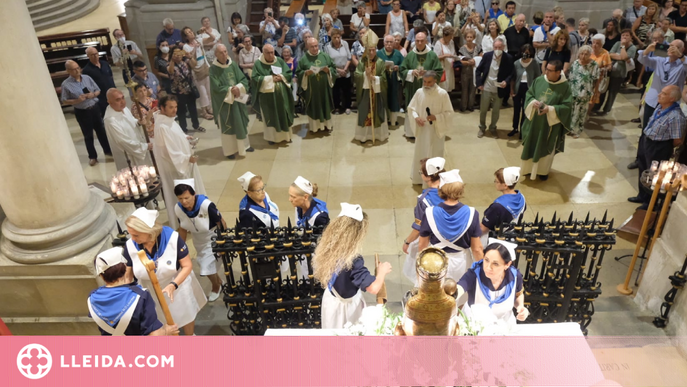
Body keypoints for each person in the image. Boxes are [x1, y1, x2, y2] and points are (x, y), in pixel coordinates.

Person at [123, 208, 207, 336]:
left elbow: (187, 265)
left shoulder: (172, 239)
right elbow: (128, 275)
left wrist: (173, 285)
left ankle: (190, 336)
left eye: (136, 235)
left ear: (149, 231)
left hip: (176, 283)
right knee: (159, 318)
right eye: (130, 234)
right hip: (149, 288)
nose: (132, 239)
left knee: (186, 312)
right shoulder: (130, 245)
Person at [313, 203, 392, 329]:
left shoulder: (329, 245)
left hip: (331, 300)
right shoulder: (354, 260)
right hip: (345, 309)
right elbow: (374, 288)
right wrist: (382, 272)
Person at [87, 247, 179, 336]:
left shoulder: (92, 298)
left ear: (101, 275)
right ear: (124, 268)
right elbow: (154, 335)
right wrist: (166, 331)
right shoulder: (141, 296)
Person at [418, 170, 484, 282]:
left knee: (435, 297)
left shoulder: (429, 213)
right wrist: (483, 271)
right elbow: (476, 249)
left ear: (441, 189)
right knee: (461, 294)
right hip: (461, 263)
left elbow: (422, 245)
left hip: (435, 261)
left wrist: (421, 267)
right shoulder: (472, 213)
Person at [153, 94, 207, 229]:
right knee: (183, 194)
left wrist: (186, 137)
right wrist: (187, 158)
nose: (174, 110)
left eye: (176, 107)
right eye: (171, 107)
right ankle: (187, 223)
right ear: (162, 108)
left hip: (180, 164)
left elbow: (176, 136)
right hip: (174, 168)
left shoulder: (168, 120)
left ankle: (194, 218)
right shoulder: (162, 127)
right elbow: (169, 151)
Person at [628, 85, 686, 208]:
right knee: (642, 167)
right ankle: (642, 195)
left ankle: (650, 203)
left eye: (664, 93)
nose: (659, 94)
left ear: (672, 99)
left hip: (659, 146)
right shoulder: (660, 107)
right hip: (646, 140)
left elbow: (678, 139)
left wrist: (664, 147)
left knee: (653, 174)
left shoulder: (676, 116)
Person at [173, 180, 226, 302]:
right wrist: (181, 247)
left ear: (194, 194)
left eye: (187, 198)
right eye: (180, 198)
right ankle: (218, 281)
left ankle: (216, 287)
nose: (184, 202)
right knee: (207, 265)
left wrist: (223, 240)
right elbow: (182, 228)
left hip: (212, 237)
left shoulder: (206, 205)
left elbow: (221, 222)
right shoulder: (178, 208)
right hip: (198, 240)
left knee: (205, 265)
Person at [520, 60, 572, 181]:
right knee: (530, 145)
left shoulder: (565, 87)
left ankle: (543, 172)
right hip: (535, 122)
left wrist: (550, 109)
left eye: (549, 70)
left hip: (550, 125)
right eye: (546, 69)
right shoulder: (539, 80)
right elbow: (529, 94)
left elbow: (567, 107)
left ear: (558, 72)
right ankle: (527, 170)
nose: (546, 72)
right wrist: (533, 102)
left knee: (546, 147)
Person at [456, 240, 529, 325]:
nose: (488, 267)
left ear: (507, 265)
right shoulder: (474, 274)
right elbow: (460, 287)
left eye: (495, 264)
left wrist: (520, 306)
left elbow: (518, 294)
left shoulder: (515, 276)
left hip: (503, 324)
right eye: (486, 260)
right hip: (474, 324)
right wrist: (452, 295)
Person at [402, 157, 445, 286]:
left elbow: (418, 227)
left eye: (421, 173)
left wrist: (407, 241)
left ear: (427, 177)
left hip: (433, 243)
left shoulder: (424, 199)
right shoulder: (451, 192)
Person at [60, 60, 111, 166]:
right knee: (88, 135)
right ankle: (93, 157)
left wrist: (93, 94)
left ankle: (108, 150)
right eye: (74, 69)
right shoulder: (66, 84)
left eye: (78, 68)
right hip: (82, 111)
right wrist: (76, 101)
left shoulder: (87, 78)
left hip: (94, 108)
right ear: (68, 71)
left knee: (101, 131)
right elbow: (64, 100)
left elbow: (98, 90)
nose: (77, 70)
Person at [408, 72, 452, 185]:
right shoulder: (419, 92)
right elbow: (411, 108)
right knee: (421, 153)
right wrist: (416, 117)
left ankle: (434, 180)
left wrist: (436, 117)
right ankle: (419, 179)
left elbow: (449, 113)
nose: (426, 84)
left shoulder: (442, 94)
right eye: (424, 82)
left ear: (435, 81)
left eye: (429, 82)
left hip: (436, 130)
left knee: (434, 154)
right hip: (422, 129)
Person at [209, 44, 252, 159]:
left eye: (225, 52)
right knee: (229, 125)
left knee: (241, 122)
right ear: (216, 55)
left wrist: (239, 88)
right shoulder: (213, 69)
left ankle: (245, 146)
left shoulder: (232, 64)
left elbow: (243, 79)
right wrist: (230, 90)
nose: (224, 55)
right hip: (226, 103)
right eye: (221, 53)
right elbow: (215, 88)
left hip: (237, 100)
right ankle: (230, 150)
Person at [401, 32, 443, 139]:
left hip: (428, 89)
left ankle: (427, 131)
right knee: (413, 107)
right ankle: (411, 132)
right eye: (417, 41)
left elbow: (438, 71)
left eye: (422, 41)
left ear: (426, 41)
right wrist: (411, 72)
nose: (419, 43)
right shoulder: (410, 54)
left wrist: (428, 74)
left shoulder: (432, 55)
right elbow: (402, 70)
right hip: (413, 88)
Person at [251, 44, 295, 145]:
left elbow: (288, 73)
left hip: (282, 96)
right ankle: (272, 138)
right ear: (263, 53)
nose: (271, 55)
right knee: (271, 116)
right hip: (268, 98)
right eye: (268, 53)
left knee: (283, 114)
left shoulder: (279, 60)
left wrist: (281, 77)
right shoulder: (258, 64)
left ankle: (286, 136)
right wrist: (271, 79)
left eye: (272, 52)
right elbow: (255, 79)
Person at [104, 88, 152, 170]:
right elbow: (122, 141)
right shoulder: (111, 120)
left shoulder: (124, 109)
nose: (122, 102)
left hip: (137, 146)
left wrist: (139, 122)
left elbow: (131, 122)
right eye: (118, 100)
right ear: (109, 102)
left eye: (123, 98)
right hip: (128, 155)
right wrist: (144, 146)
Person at [354, 34, 389, 143]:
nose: (371, 53)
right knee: (365, 112)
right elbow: (356, 75)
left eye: (373, 50)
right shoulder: (361, 62)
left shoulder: (380, 62)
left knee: (377, 112)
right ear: (366, 50)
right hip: (365, 93)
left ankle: (378, 135)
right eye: (369, 50)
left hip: (377, 94)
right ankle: (364, 136)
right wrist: (365, 75)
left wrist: (373, 78)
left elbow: (384, 79)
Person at [476, 38, 514, 138]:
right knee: (483, 109)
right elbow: (478, 70)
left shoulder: (508, 58)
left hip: (499, 89)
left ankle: (493, 128)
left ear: (503, 47)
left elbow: (511, 74)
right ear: (493, 47)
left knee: (496, 111)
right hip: (487, 87)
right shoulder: (487, 56)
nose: (497, 49)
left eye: (500, 47)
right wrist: (479, 83)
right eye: (495, 47)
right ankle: (482, 127)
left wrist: (506, 81)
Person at [297, 38, 337, 133]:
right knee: (314, 106)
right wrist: (305, 73)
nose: (315, 48)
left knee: (325, 105)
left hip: (324, 88)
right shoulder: (303, 59)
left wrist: (329, 71)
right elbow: (299, 72)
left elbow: (333, 68)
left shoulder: (325, 56)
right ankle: (315, 127)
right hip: (312, 90)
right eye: (312, 47)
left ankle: (327, 126)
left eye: (316, 46)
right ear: (307, 47)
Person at [480, 168, 526, 245]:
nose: (495, 183)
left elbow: (483, 229)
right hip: (511, 237)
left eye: (496, 181)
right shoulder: (522, 198)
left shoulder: (497, 207)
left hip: (495, 240)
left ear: (505, 185)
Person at [596, 30, 636, 115]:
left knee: (612, 92)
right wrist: (620, 56)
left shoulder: (633, 48)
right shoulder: (617, 43)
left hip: (620, 73)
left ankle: (606, 110)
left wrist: (623, 47)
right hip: (610, 71)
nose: (624, 37)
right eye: (623, 35)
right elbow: (610, 54)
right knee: (603, 90)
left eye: (627, 35)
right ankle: (596, 107)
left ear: (631, 37)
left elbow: (625, 57)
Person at [168, 47, 205, 133]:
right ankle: (183, 129)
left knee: (193, 109)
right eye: (175, 54)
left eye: (179, 53)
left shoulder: (185, 62)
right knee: (181, 111)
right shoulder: (170, 64)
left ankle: (196, 125)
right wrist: (173, 60)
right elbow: (170, 71)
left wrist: (190, 57)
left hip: (189, 89)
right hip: (179, 91)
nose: (178, 56)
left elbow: (194, 65)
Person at [182, 26, 213, 121]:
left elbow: (212, 39)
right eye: (188, 32)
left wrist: (207, 31)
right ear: (185, 36)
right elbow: (190, 57)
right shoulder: (185, 46)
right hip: (196, 69)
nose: (191, 33)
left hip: (204, 66)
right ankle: (204, 111)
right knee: (202, 92)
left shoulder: (199, 40)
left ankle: (209, 108)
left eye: (191, 31)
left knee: (209, 90)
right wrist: (195, 48)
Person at [568, 46, 600, 139]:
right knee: (572, 110)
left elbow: (596, 79)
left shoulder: (593, 65)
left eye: (586, 54)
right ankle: (570, 128)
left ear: (590, 55)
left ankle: (576, 130)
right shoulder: (575, 63)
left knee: (581, 111)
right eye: (581, 53)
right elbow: (571, 77)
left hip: (585, 92)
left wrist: (596, 92)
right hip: (573, 90)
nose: (583, 56)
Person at [509, 44, 540, 138]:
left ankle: (523, 130)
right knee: (516, 110)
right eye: (524, 52)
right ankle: (515, 128)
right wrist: (511, 90)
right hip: (518, 88)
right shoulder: (516, 63)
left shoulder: (535, 63)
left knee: (525, 110)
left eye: (528, 52)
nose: (525, 54)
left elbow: (537, 78)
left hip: (529, 89)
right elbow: (513, 79)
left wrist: (535, 92)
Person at [378, 34, 405, 125]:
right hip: (382, 81)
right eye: (387, 42)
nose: (389, 44)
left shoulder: (397, 54)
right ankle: (384, 119)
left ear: (394, 43)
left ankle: (393, 120)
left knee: (393, 99)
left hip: (394, 80)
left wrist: (399, 67)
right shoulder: (378, 54)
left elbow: (404, 65)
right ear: (383, 42)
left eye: (391, 42)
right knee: (383, 99)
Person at [324, 29, 353, 115]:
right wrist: (339, 70)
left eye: (338, 37)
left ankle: (347, 106)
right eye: (334, 37)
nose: (337, 39)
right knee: (335, 91)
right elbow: (328, 62)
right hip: (335, 72)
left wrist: (345, 69)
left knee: (347, 90)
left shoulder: (345, 44)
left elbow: (349, 57)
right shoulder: (327, 47)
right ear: (331, 37)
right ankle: (337, 107)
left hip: (345, 71)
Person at [82, 47, 116, 117]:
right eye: (92, 55)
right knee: (106, 115)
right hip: (101, 97)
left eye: (96, 54)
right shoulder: (86, 70)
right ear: (88, 56)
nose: (95, 56)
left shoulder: (105, 64)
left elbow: (111, 76)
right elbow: (88, 85)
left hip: (112, 93)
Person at [458, 30, 481, 113]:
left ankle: (471, 106)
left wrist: (475, 61)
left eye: (471, 37)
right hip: (465, 71)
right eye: (467, 37)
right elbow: (459, 61)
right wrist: (468, 62)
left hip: (475, 71)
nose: (469, 39)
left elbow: (481, 57)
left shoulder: (477, 47)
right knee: (464, 90)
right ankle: (463, 106)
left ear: (474, 38)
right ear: (465, 38)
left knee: (473, 89)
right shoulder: (462, 49)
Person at [589, 34, 612, 115]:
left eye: (597, 43)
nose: (594, 45)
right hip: (587, 78)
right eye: (593, 42)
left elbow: (609, 66)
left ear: (602, 44)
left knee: (593, 98)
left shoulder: (605, 53)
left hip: (598, 79)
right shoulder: (588, 51)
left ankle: (588, 113)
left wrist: (602, 69)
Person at [434, 26, 457, 92]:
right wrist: (445, 56)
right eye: (449, 37)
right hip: (443, 69)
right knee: (442, 88)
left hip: (450, 68)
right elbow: (435, 58)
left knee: (449, 88)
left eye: (451, 36)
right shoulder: (438, 44)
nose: (450, 38)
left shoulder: (451, 42)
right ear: (444, 35)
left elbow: (453, 52)